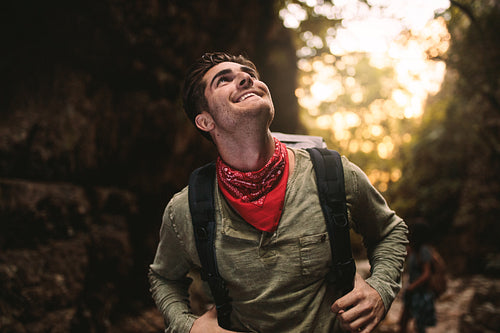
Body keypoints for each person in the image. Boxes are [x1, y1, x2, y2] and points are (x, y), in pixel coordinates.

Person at [149, 52, 408, 333]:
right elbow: (164, 278)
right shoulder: (186, 209)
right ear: (205, 121)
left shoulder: (332, 175)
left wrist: (380, 290)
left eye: (249, 73)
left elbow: (389, 231)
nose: (246, 78)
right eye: (223, 80)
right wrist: (187, 327)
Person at [398, 221, 437, 333]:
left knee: (419, 325)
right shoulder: (414, 250)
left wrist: (412, 287)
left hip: (421, 293)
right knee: (404, 321)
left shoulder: (424, 250)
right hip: (413, 292)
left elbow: (427, 274)